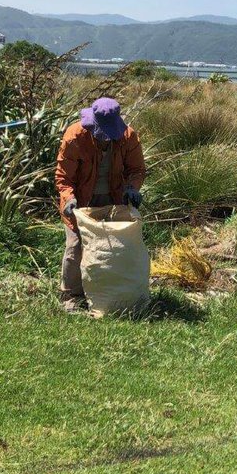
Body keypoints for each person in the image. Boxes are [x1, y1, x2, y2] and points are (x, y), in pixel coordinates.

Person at [55, 98, 145, 313]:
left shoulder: (128, 137)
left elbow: (137, 169)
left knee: (113, 248)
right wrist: (68, 199)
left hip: (114, 201)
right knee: (75, 247)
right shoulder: (75, 136)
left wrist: (132, 188)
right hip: (80, 203)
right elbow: (63, 176)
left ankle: (111, 292)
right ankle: (71, 296)